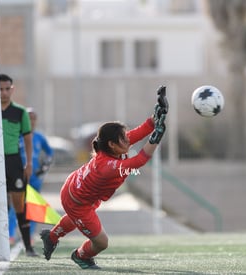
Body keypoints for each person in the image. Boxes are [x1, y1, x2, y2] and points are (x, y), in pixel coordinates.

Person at [40, 86, 168, 269]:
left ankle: (51, 237)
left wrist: (158, 113)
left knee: (76, 218)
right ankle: (80, 255)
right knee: (101, 242)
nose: (127, 139)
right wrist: (156, 138)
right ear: (112, 145)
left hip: (76, 190)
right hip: (77, 201)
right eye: (123, 138)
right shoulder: (108, 167)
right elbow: (139, 160)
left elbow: (141, 131)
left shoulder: (115, 146)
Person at [0, 73, 37, 257]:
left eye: (7, 88)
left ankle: (28, 248)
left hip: (14, 161)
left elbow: (28, 139)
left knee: (19, 206)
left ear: (12, 89)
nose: (4, 92)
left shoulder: (20, 112)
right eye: (0, 89)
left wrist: (28, 163)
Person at [9, 108, 54, 243]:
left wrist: (45, 166)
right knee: (15, 205)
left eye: (33, 118)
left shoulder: (40, 138)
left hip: (35, 178)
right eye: (28, 118)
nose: (31, 121)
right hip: (19, 177)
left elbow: (49, 153)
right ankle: (10, 234)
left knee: (33, 206)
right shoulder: (16, 136)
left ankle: (29, 235)